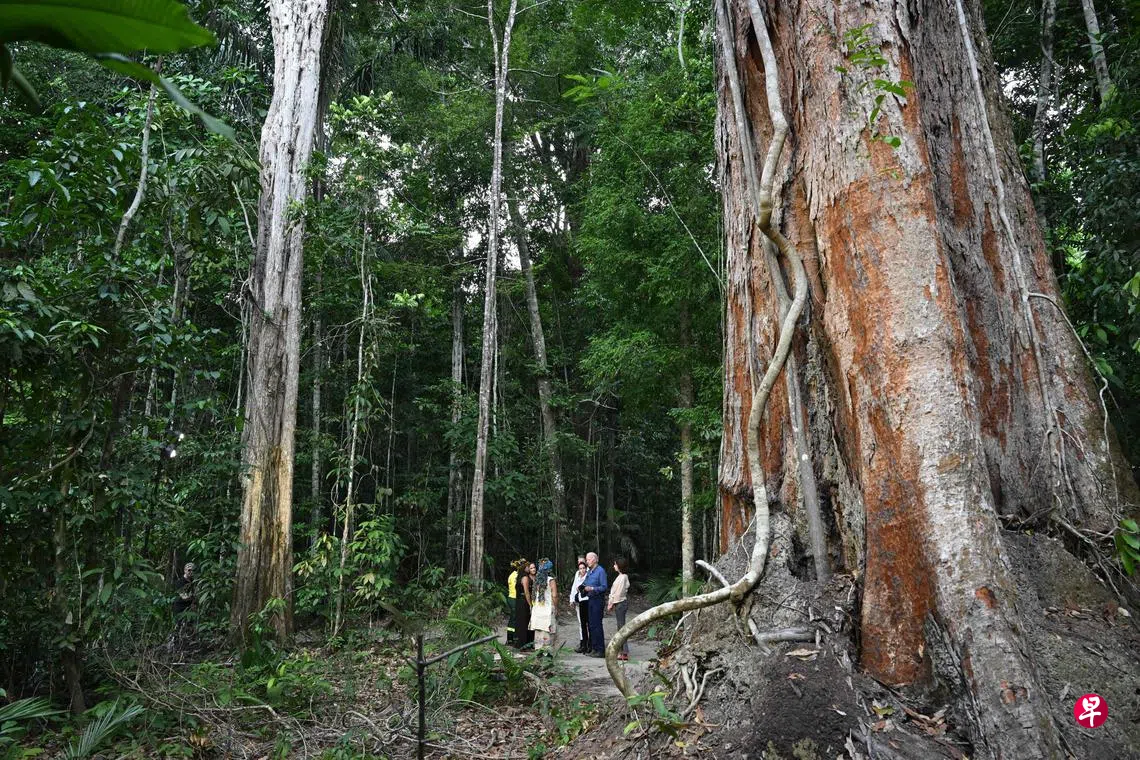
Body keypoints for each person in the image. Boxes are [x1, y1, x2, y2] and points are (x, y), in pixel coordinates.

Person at [581, 552, 608, 657]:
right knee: (591, 625)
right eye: (586, 559)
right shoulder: (590, 572)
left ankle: (600, 650)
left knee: (597, 625)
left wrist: (592, 588)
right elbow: (586, 583)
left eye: (588, 559)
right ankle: (594, 648)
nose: (587, 561)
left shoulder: (600, 571)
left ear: (595, 559)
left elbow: (604, 587)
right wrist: (582, 588)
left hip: (598, 600)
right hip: (590, 600)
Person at [529, 558, 559, 653]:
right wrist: (556, 607)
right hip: (547, 610)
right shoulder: (551, 580)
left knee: (539, 632)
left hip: (537, 610)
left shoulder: (536, 580)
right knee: (548, 632)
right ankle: (547, 653)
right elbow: (554, 595)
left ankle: (538, 651)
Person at [607, 557, 631, 661]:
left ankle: (624, 652)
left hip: (620, 603)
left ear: (620, 566)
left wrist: (611, 603)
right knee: (620, 627)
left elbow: (619, 593)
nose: (614, 566)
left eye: (615, 564)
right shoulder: (620, 576)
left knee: (621, 628)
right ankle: (622, 651)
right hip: (619, 603)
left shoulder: (623, 577)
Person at [567, 557, 590, 654]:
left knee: (587, 623)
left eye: (582, 562)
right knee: (581, 623)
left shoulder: (589, 573)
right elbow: (574, 586)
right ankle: (582, 642)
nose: (581, 568)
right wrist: (571, 599)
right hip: (579, 600)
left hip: (586, 600)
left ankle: (589, 643)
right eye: (578, 562)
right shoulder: (577, 573)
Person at [514, 561, 536, 650]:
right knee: (524, 622)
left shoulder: (519, 577)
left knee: (521, 622)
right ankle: (523, 644)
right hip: (524, 602)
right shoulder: (525, 578)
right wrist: (530, 604)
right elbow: (526, 592)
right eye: (527, 567)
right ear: (524, 568)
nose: (528, 568)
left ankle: (520, 643)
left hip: (519, 601)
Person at [506, 558, 526, 646]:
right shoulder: (515, 576)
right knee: (514, 618)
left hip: (513, 598)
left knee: (515, 618)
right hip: (513, 598)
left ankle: (513, 637)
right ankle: (510, 638)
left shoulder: (515, 574)